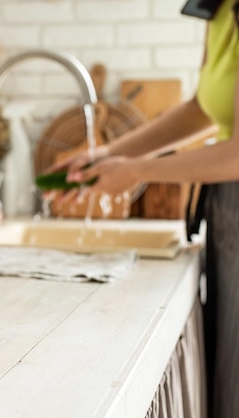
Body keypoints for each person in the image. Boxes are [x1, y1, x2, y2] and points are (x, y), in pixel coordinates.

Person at [47, 1, 239, 417]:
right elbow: (204, 109)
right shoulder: (219, 8)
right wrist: (107, 154)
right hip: (227, 211)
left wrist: (137, 170)